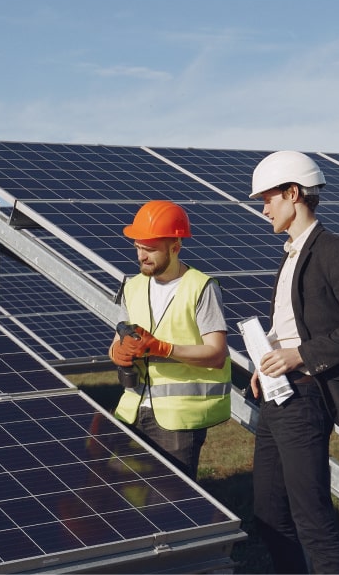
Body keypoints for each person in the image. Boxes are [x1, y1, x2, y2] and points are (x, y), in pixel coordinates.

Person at [248, 151, 339, 574]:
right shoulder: (290, 254)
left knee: (311, 518)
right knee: (268, 510)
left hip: (306, 397)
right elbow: (291, 326)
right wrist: (266, 363)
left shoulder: (335, 251)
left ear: (293, 193)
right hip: (276, 396)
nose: (264, 209)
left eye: (268, 198)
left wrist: (300, 356)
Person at [108, 200, 231, 480]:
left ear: (175, 247)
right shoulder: (132, 287)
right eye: (138, 247)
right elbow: (117, 341)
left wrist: (163, 348)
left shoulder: (201, 287)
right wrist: (117, 353)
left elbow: (216, 353)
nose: (141, 256)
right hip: (132, 410)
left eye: (150, 249)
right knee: (126, 494)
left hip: (178, 420)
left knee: (172, 499)